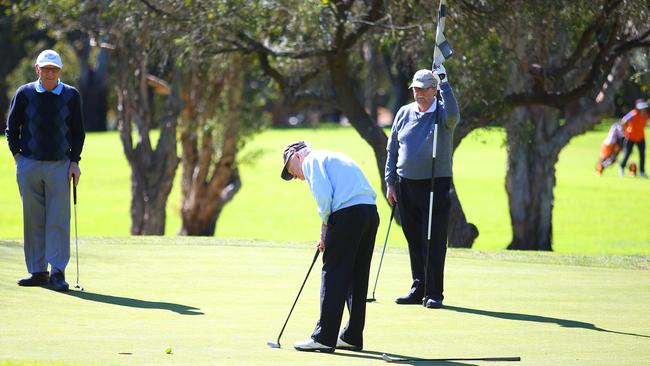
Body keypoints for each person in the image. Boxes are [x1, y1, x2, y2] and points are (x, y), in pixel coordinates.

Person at [281, 141, 379, 353]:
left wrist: (326, 227)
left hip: (348, 215)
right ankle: (352, 336)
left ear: (297, 156)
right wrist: (326, 227)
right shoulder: (333, 156)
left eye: (292, 170)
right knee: (356, 275)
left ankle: (324, 337)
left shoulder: (311, 161)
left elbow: (325, 197)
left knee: (333, 273)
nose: (296, 177)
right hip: (370, 214)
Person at [5, 49, 85, 291]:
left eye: (54, 69)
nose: (50, 73)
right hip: (29, 165)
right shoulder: (25, 93)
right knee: (33, 220)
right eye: (45, 69)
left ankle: (57, 272)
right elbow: (11, 128)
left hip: (60, 166)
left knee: (58, 220)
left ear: (59, 71)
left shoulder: (71, 95)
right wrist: (18, 158)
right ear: (37, 69)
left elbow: (78, 132)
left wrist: (74, 162)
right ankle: (38, 272)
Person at [385, 65, 459, 309]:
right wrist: (390, 181)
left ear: (433, 90)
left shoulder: (441, 113)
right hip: (406, 184)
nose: (418, 93)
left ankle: (434, 292)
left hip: (435, 184)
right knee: (414, 237)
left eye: (424, 89)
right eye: (415, 89)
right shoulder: (404, 113)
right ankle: (419, 286)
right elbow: (393, 148)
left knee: (434, 238)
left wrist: (445, 84)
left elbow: (453, 117)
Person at [619, 99, 648, 177]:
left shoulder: (645, 116)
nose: (643, 110)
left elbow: (645, 124)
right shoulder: (633, 114)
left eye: (644, 108)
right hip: (630, 137)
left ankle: (642, 172)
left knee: (642, 155)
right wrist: (624, 131)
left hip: (641, 138)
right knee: (627, 153)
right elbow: (623, 121)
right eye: (642, 108)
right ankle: (621, 168)